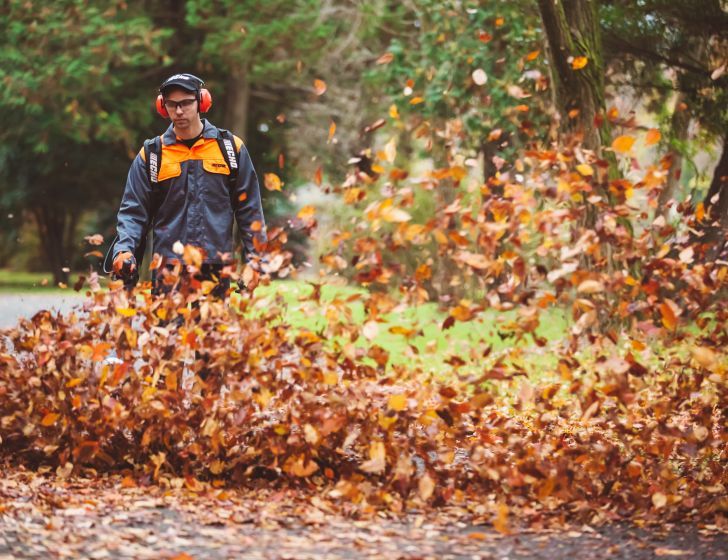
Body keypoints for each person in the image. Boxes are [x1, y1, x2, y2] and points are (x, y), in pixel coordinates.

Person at [110, 73, 266, 295]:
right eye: (172, 104)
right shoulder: (152, 154)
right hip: (168, 268)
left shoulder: (230, 149)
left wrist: (255, 262)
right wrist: (124, 250)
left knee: (212, 329)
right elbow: (133, 212)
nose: (179, 111)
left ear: (202, 101)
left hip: (215, 266)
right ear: (162, 107)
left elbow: (250, 211)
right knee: (169, 329)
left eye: (185, 103)